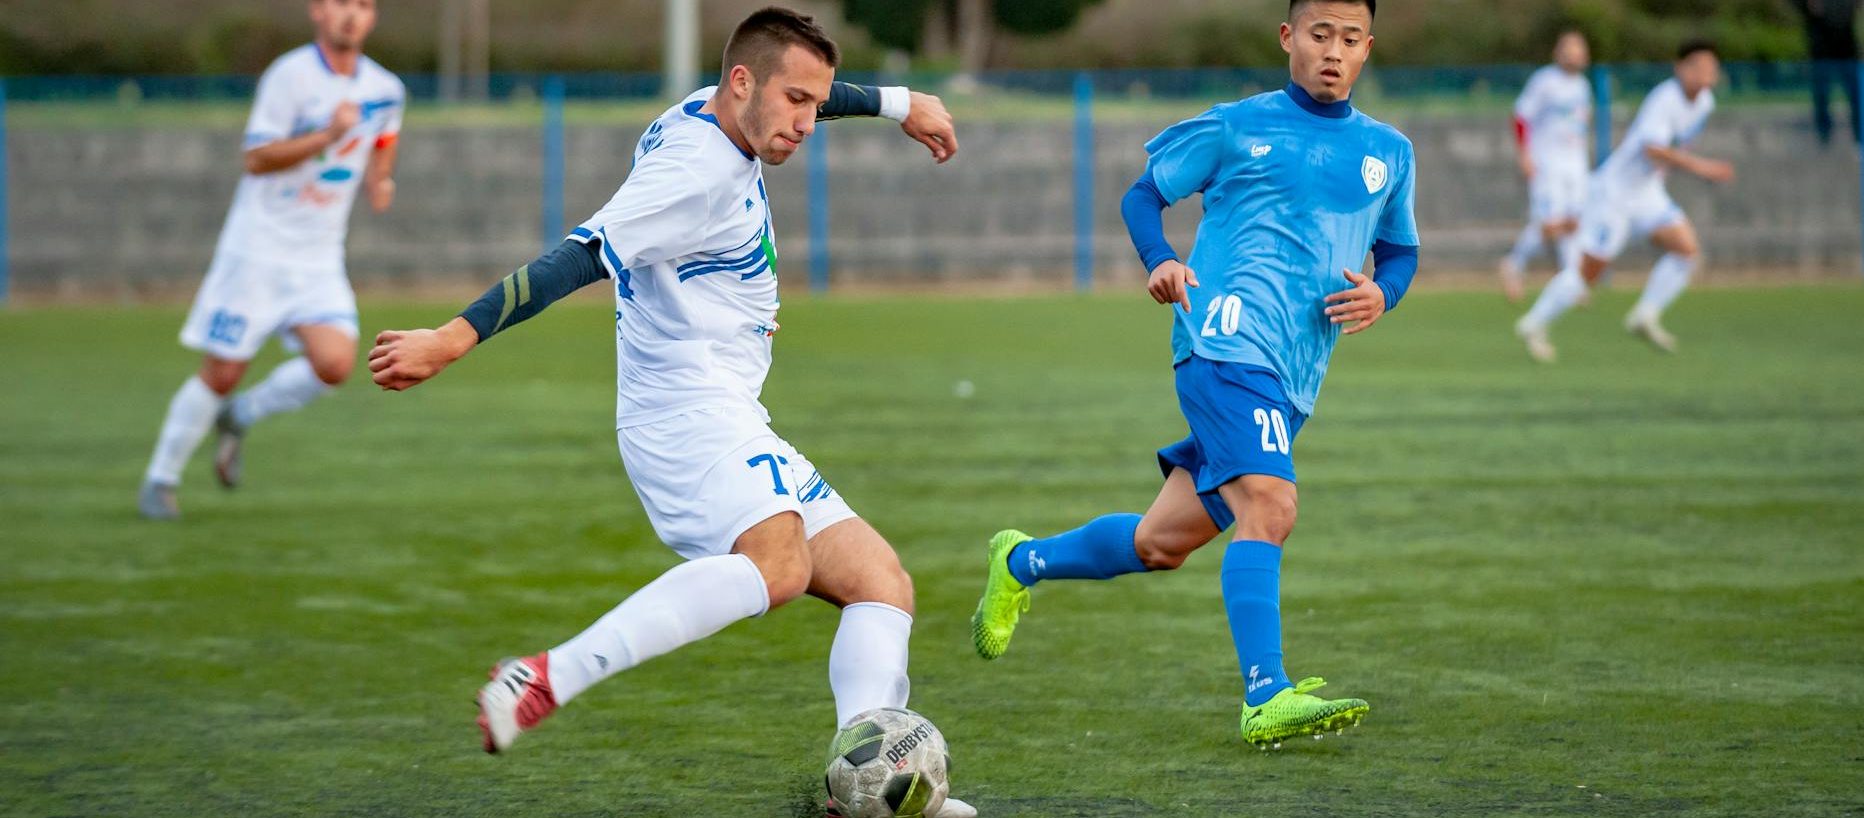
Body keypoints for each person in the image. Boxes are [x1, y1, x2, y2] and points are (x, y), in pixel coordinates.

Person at [363, 8, 973, 816]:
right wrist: (452, 335)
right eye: (796, 102)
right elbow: (576, 257)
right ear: (743, 84)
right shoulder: (694, 171)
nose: (807, 122)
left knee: (880, 584)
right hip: (684, 412)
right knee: (780, 566)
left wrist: (899, 103)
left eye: (814, 105)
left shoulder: (722, 105)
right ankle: (549, 675)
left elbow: (806, 90)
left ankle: (857, 789)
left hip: (727, 406)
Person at [968, 0, 1419, 751]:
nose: (1332, 52)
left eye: (1348, 40)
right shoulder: (1237, 125)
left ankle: (1020, 561)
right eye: (1318, 36)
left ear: (1368, 48)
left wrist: (1383, 291)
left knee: (1159, 544)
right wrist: (1163, 261)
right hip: (1222, 344)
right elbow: (1142, 194)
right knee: (1270, 506)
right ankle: (1264, 693)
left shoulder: (1389, 151)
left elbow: (1399, 252)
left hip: (1293, 374)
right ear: (1288, 39)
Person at [138, 0, 402, 519]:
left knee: (335, 364)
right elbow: (256, 158)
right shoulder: (289, 76)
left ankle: (241, 416)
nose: (353, 15)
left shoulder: (385, 88)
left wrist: (381, 177)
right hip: (258, 251)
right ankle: (160, 480)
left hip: (320, 257)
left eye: (365, 5)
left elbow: (385, 135)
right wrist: (327, 134)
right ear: (318, 12)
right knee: (223, 370)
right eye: (341, 4)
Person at [1515, 40, 1734, 363]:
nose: (1705, 74)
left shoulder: (1705, 104)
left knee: (1687, 250)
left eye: (1711, 68)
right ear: (1680, 68)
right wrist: (1702, 167)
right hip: (1614, 195)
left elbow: (1673, 148)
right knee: (1587, 273)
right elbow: (1653, 149)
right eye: (1698, 66)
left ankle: (1645, 315)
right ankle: (1533, 323)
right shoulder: (1666, 98)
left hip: (1647, 193)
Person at [1499, 31, 1592, 302]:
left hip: (1575, 163)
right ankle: (1514, 263)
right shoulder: (1545, 81)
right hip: (1547, 162)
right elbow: (1520, 117)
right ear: (1557, 52)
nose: (1574, 54)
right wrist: (1524, 154)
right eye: (1568, 48)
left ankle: (1571, 279)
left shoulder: (1583, 85)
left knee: (1573, 222)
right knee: (1549, 224)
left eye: (1578, 48)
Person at [1794, 0, 1861, 145]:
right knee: (1822, 95)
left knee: (1856, 95)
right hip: (1821, 49)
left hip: (1846, 48)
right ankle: (1824, 137)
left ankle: (1859, 135)